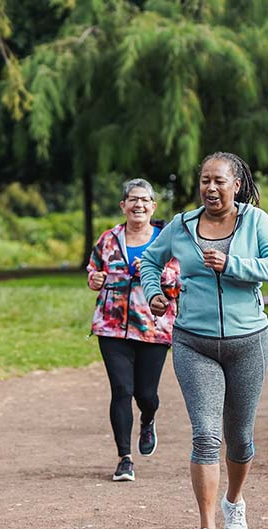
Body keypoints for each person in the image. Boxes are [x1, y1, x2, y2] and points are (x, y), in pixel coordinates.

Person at [139, 152, 268, 529]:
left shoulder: (256, 221)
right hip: (194, 342)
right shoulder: (182, 225)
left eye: (219, 181)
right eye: (205, 180)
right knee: (205, 435)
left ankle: (234, 501)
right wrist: (154, 293)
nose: (211, 188)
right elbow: (149, 261)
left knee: (239, 437)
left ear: (236, 184)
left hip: (248, 342)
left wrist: (233, 264)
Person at [87, 178, 181, 482]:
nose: (138, 204)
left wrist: (154, 271)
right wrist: (95, 280)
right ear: (123, 205)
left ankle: (149, 417)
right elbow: (93, 270)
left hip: (153, 325)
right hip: (111, 324)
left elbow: (179, 281)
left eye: (145, 200)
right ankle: (124, 458)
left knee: (146, 393)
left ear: (153, 206)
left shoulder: (166, 240)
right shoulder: (109, 239)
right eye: (132, 199)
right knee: (121, 390)